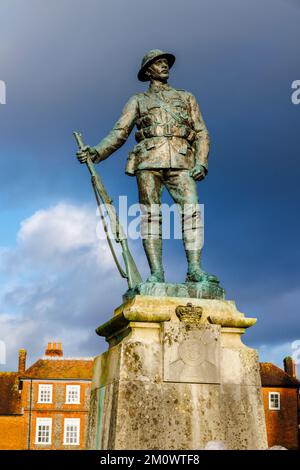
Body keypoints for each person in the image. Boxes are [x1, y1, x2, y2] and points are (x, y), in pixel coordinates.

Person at [77, 49, 217, 284]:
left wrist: (201, 161)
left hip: (182, 161)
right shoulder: (138, 101)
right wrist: (97, 151)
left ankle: (194, 269)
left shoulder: (186, 97)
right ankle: (157, 273)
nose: (164, 66)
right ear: (148, 71)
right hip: (149, 160)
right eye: (158, 63)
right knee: (151, 217)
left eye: (165, 63)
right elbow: (120, 133)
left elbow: (201, 131)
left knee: (192, 212)